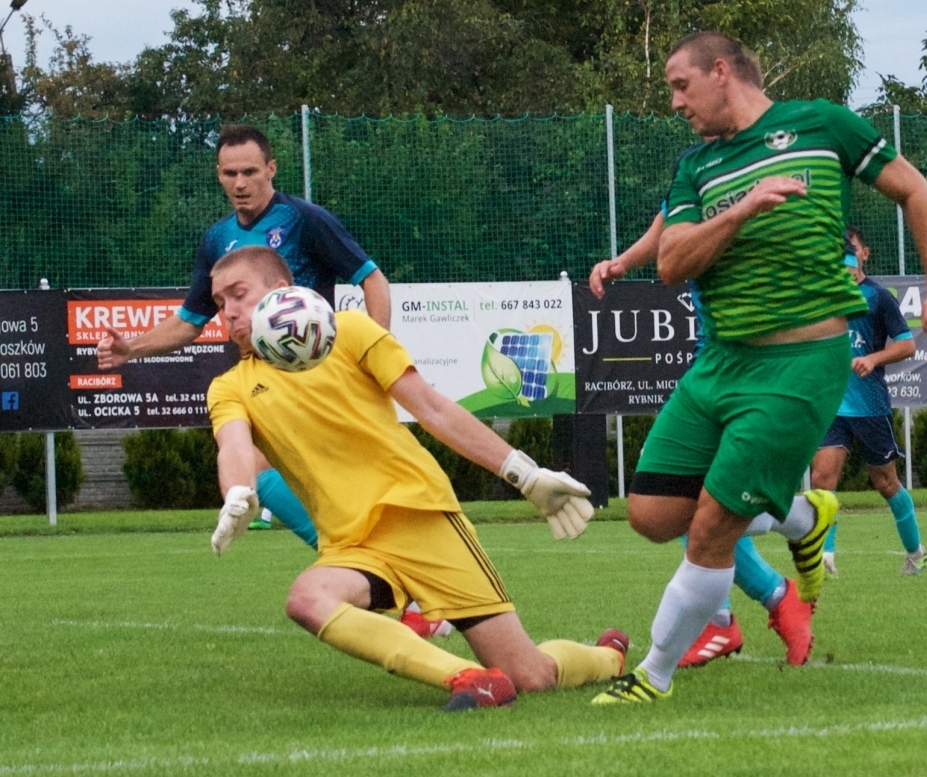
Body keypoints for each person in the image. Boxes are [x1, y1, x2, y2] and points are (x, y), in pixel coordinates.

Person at [592, 31, 927, 705]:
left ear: (721, 71)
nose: (674, 101)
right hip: (720, 362)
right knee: (649, 514)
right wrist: (741, 208)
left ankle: (652, 675)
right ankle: (801, 517)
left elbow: (915, 190)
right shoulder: (696, 167)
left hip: (801, 363)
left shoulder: (822, 124)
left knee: (709, 530)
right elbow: (672, 264)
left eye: (680, 84)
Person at [206, 245, 624, 711]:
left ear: (281, 292)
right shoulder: (229, 387)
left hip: (422, 518)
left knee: (532, 676)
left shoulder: (352, 331)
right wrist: (239, 492)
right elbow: (235, 447)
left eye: (238, 295)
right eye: (220, 303)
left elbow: (431, 407)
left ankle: (608, 659)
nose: (228, 312)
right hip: (351, 547)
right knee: (307, 598)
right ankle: (468, 679)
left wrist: (525, 475)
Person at [97, 124, 389, 551]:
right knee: (252, 460)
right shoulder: (217, 239)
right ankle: (354, 560)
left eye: (250, 171)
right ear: (218, 174)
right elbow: (191, 319)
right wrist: (131, 348)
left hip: (314, 372)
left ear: (271, 169)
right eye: (230, 173)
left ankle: (364, 564)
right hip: (260, 377)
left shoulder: (303, 220)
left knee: (342, 486)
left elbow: (373, 280)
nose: (240, 183)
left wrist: (373, 353)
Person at [589, 205, 817, 667]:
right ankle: (798, 526)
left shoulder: (771, 168)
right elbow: (664, 227)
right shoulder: (696, 172)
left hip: (764, 368)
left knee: (705, 508)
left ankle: (735, 615)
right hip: (711, 365)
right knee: (674, 505)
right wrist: (623, 264)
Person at [809, 227, 925, 577]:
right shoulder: (824, 296)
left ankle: (915, 550)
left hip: (871, 406)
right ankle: (825, 555)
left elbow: (907, 345)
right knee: (822, 479)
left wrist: (873, 359)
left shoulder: (878, 297)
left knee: (885, 482)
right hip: (832, 405)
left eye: (849, 249)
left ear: (862, 255)